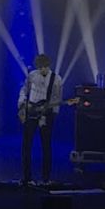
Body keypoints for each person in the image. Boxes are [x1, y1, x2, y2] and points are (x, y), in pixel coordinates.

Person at [17, 53, 63, 185]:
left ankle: (46, 178)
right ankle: (27, 177)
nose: (42, 69)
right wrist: (22, 104)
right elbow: (24, 90)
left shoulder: (56, 79)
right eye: (40, 67)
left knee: (46, 146)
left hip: (46, 114)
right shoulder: (32, 75)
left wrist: (51, 114)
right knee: (26, 145)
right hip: (31, 112)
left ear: (49, 65)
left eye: (44, 67)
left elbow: (57, 98)